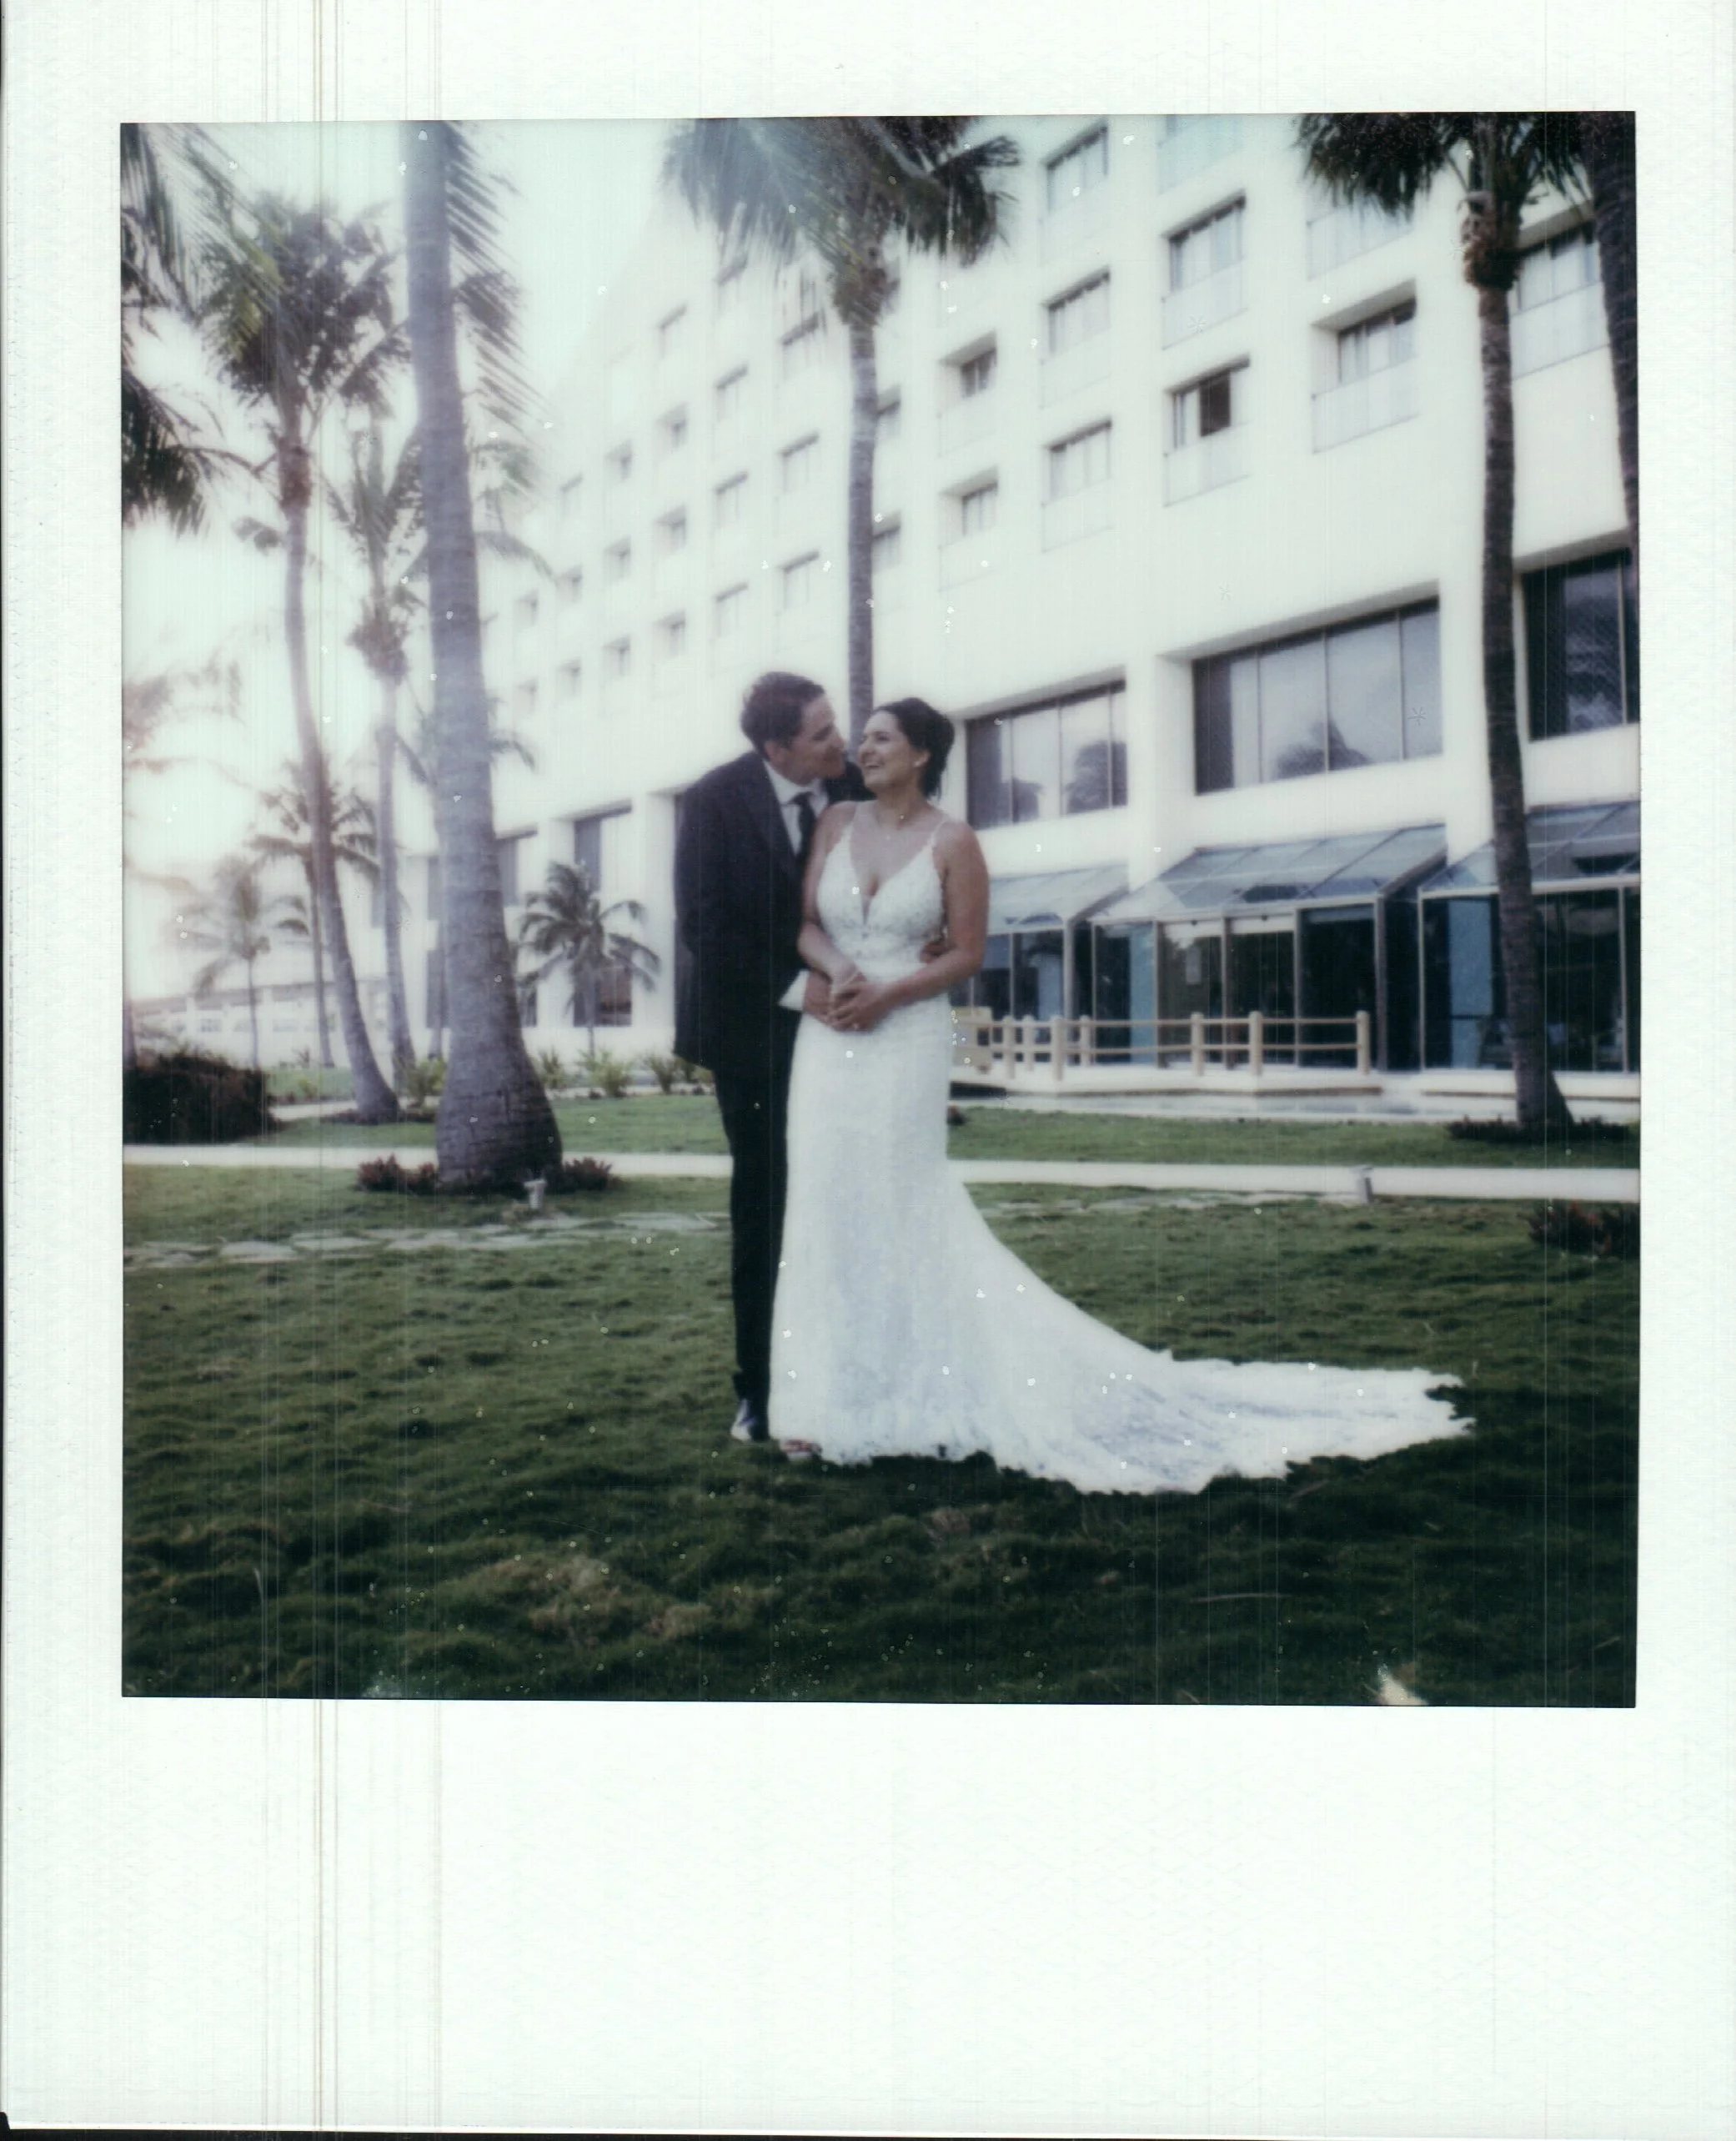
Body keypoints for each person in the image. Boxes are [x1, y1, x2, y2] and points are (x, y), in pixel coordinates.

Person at [768, 698, 1467, 1491]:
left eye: (881, 737)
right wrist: (839, 973)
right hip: (830, 1039)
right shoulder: (834, 825)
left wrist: (888, 995)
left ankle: (910, 1390)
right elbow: (802, 924)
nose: (864, 747)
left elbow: (966, 955)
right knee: (825, 1203)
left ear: (922, 752)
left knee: (900, 1201)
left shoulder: (954, 842)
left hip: (905, 1038)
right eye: (861, 737)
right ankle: (819, 1400)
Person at [672, 671, 867, 1444]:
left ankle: (846, 1372)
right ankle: (758, 1388)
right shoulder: (713, 800)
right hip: (754, 1038)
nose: (840, 742)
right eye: (821, 734)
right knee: (767, 1208)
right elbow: (706, 929)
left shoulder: (854, 785)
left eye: (836, 726)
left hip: (850, 1032)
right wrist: (797, 990)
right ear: (775, 747)